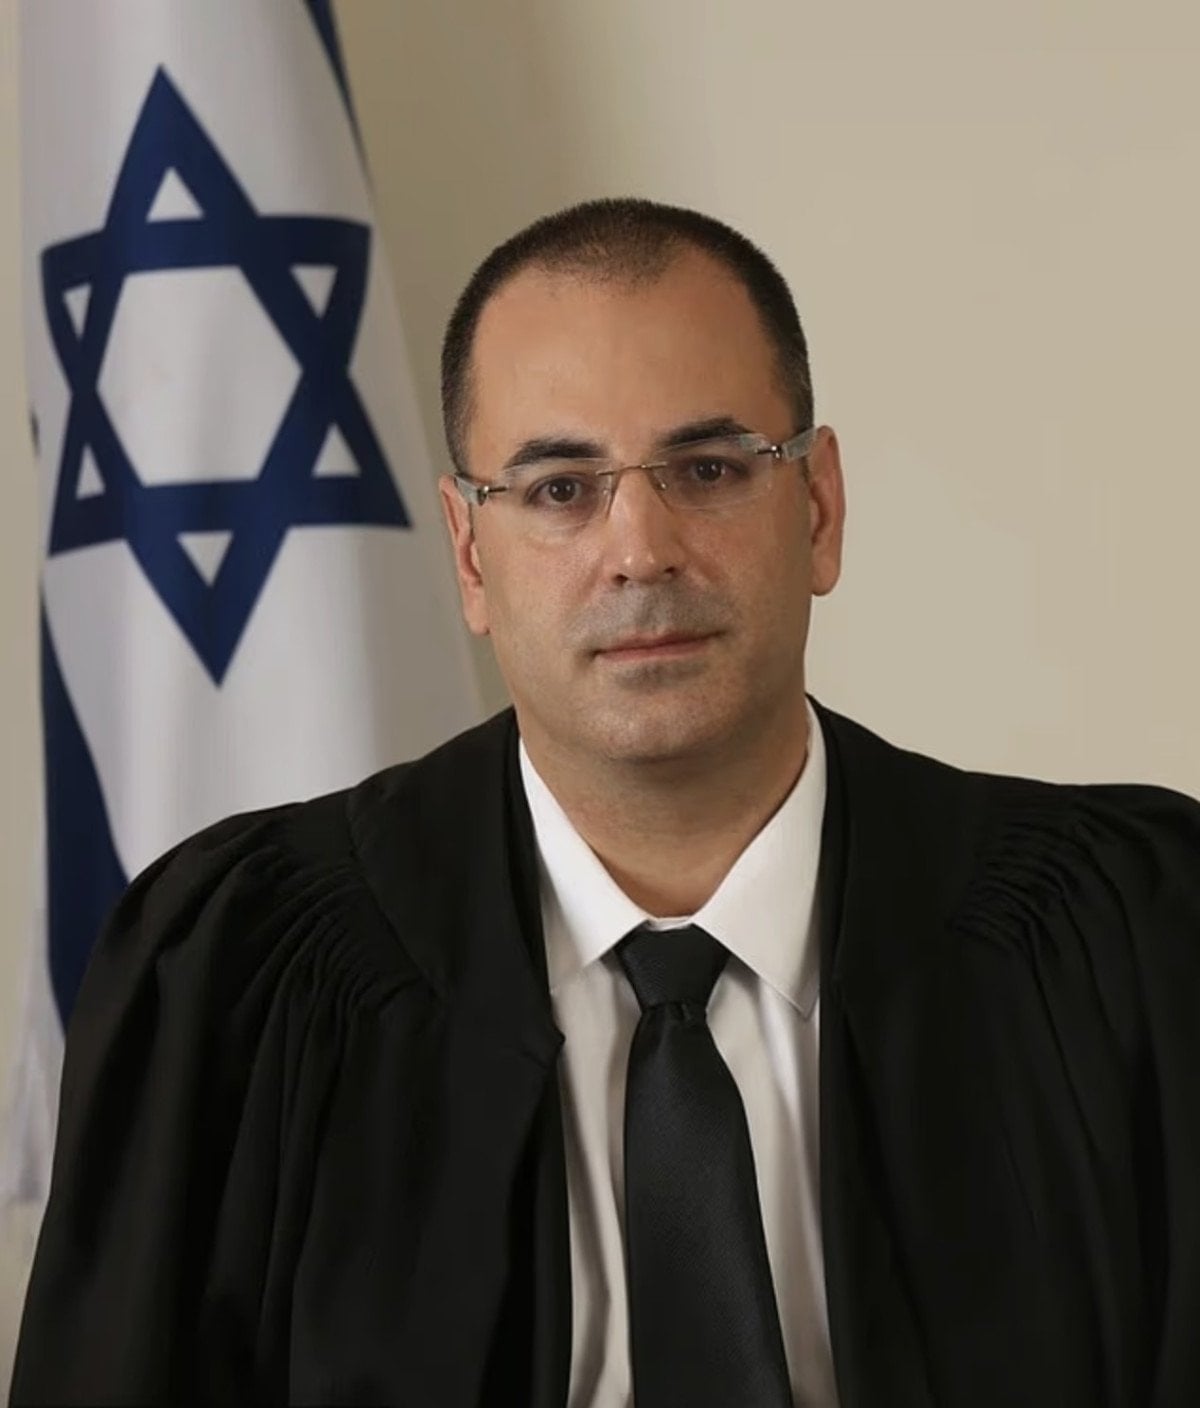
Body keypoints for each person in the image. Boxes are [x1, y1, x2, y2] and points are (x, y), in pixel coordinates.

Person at [11, 198, 1199, 1408]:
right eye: (560, 488)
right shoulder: (238, 977)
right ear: (469, 554)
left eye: (710, 469)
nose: (641, 549)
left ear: (820, 509)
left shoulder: (1141, 944)